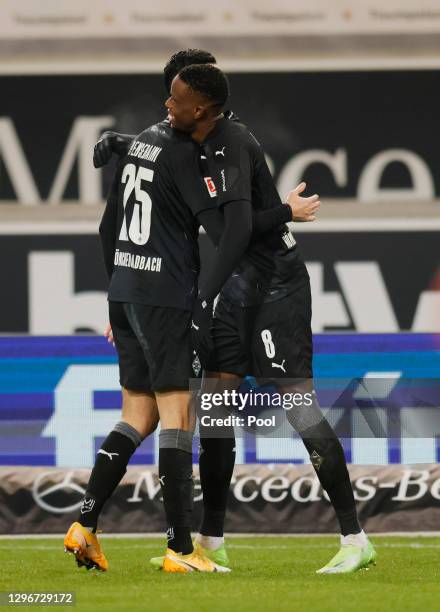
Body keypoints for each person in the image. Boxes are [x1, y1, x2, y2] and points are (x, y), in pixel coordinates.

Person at [97, 54, 376, 575]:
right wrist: (120, 145)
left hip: (274, 285)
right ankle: (212, 538)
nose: (167, 105)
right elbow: (159, 149)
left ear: (200, 109)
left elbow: (237, 232)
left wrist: (203, 296)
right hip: (231, 286)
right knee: (218, 406)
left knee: (297, 405)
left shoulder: (231, 144)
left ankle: (355, 537)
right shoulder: (193, 138)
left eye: (175, 99)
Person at [64, 56, 314, 575]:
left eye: (173, 95)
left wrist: (119, 291)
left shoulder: (142, 144)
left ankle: (85, 522)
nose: (168, 102)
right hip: (164, 295)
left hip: (125, 289)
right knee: (179, 419)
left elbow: (105, 230)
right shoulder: (186, 152)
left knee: (138, 416)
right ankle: (182, 549)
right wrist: (284, 214)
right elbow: (228, 232)